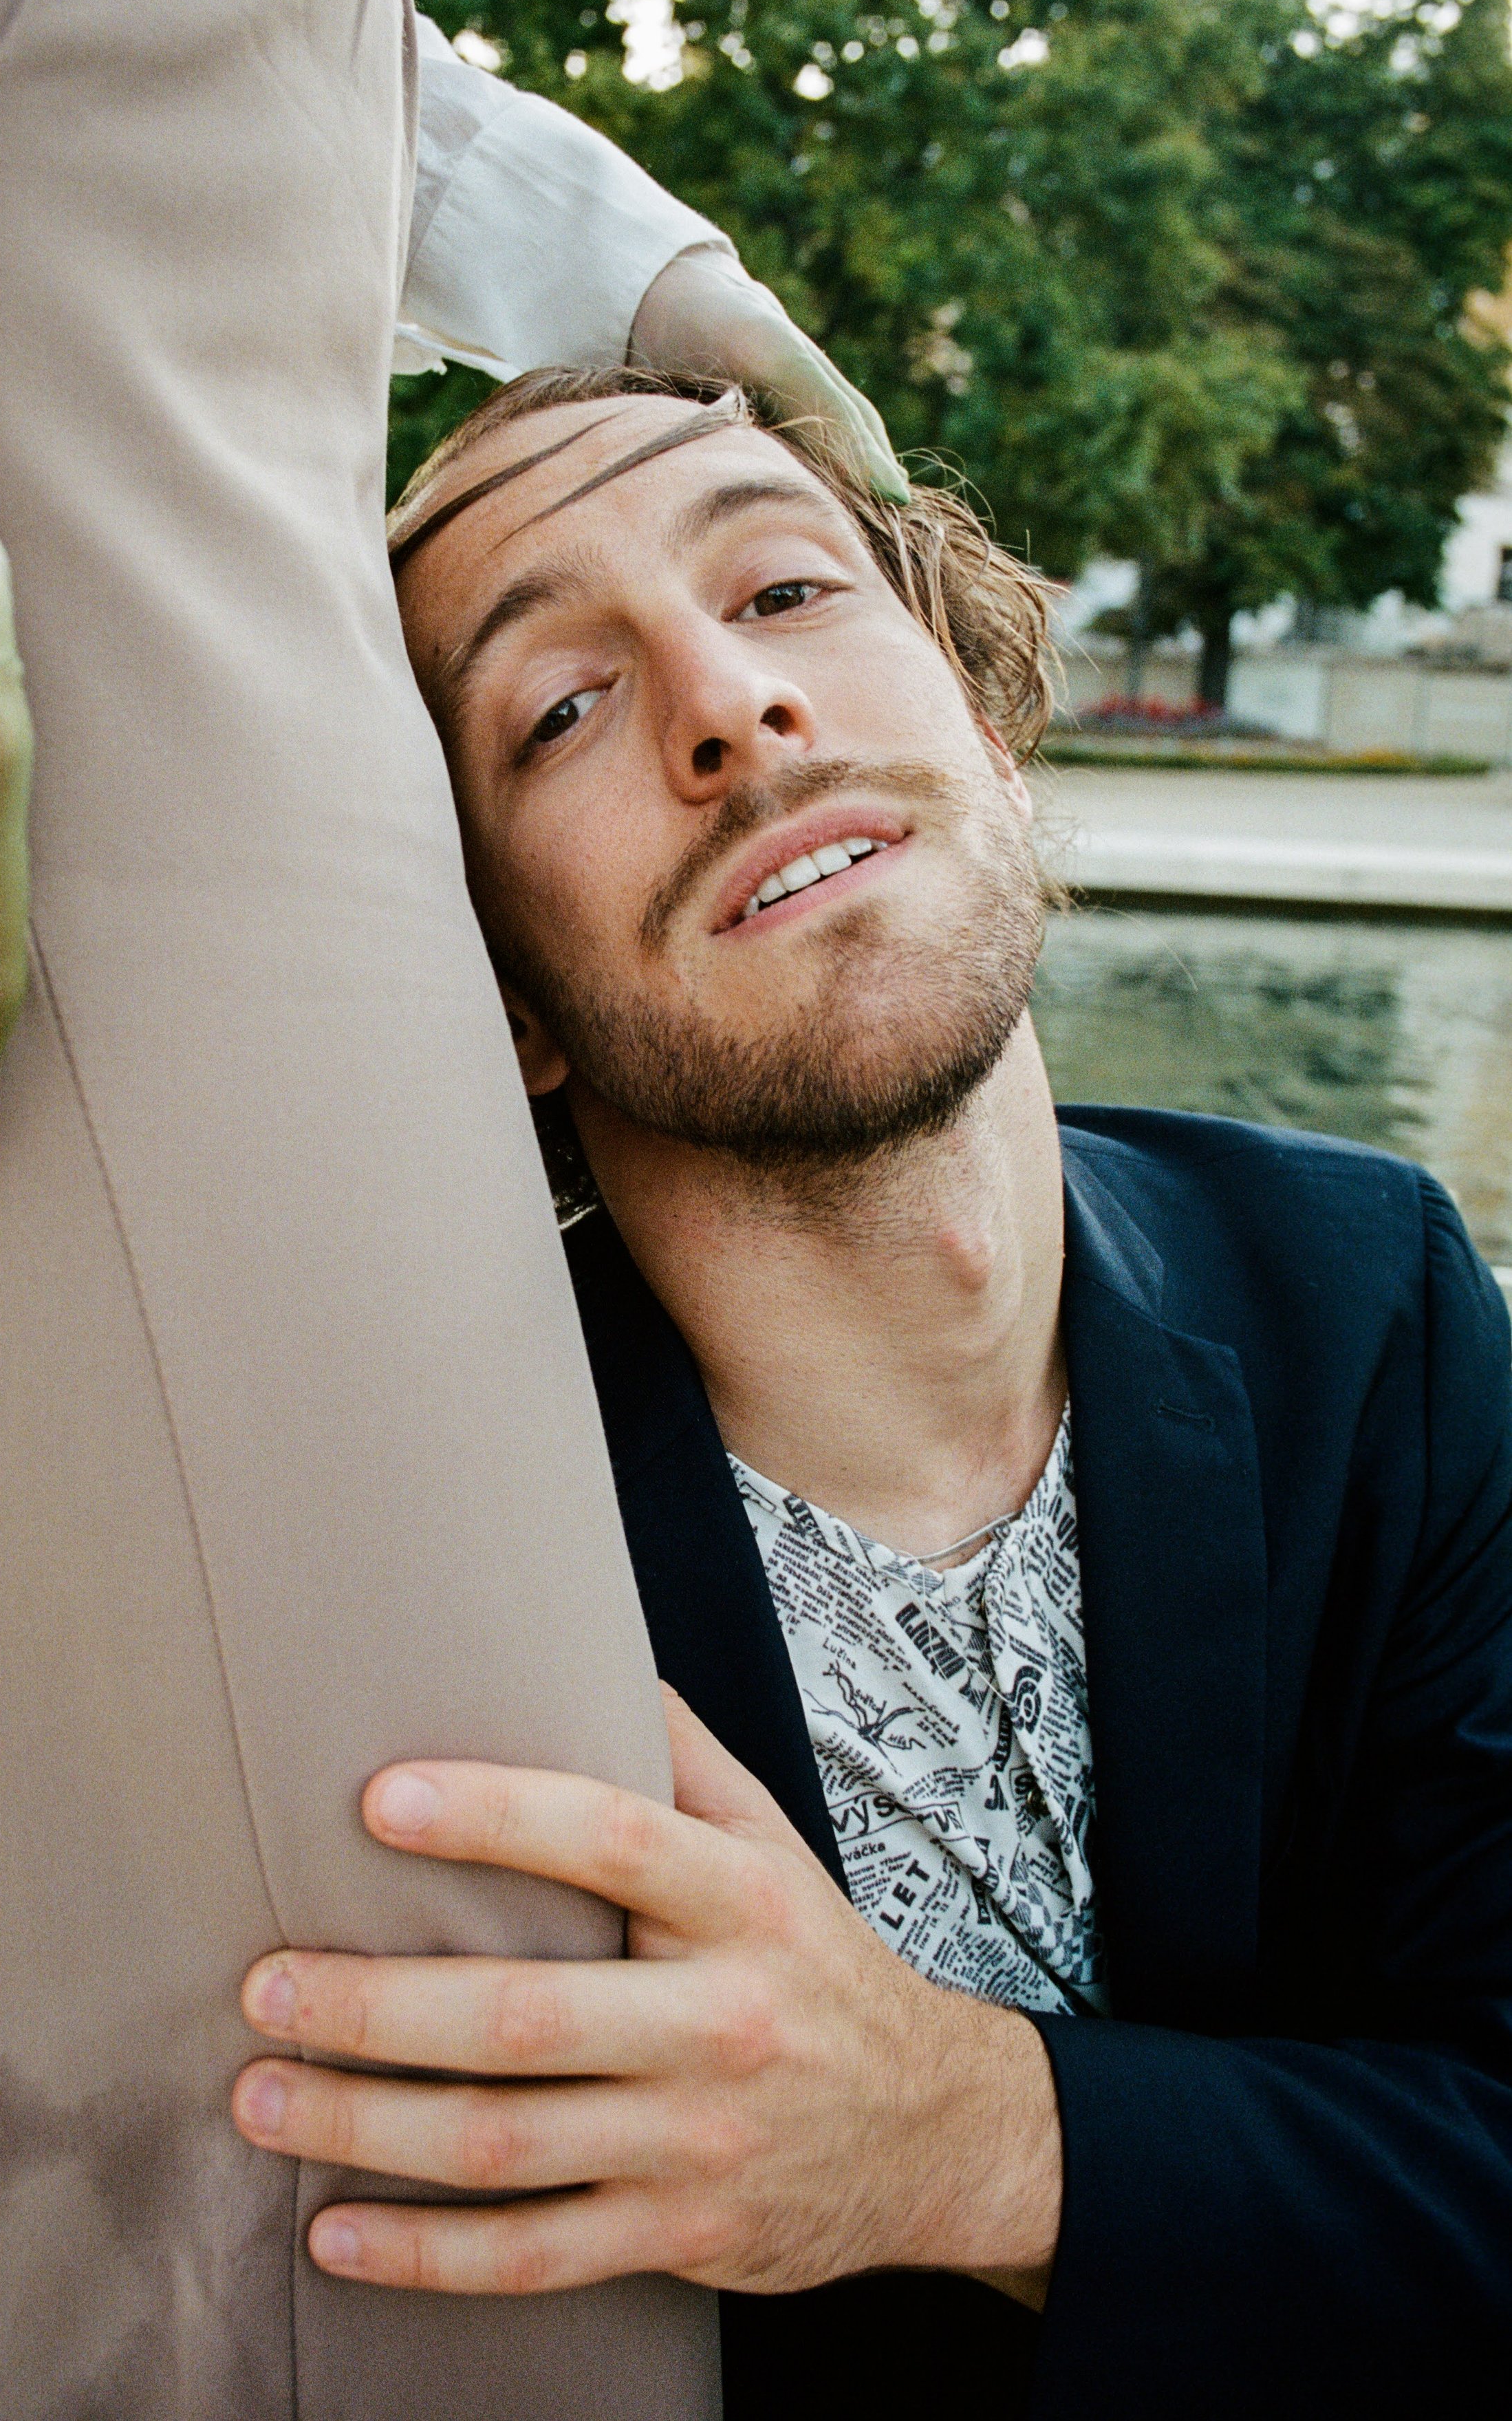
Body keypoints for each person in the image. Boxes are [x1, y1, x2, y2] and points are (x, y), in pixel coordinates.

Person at [0, 0, 902, 2409]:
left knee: (426, 2031)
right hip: (19, 756)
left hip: (257, 836)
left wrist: (630, 274)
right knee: (313, 2071)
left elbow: (233, 29)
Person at [230, 368, 1512, 2420]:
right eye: (558, 708)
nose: (728, 703)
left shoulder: (1373, 1299)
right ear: (502, 994)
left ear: (985, 723)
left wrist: (961, 2137)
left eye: (794, 586)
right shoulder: (383, 1538)